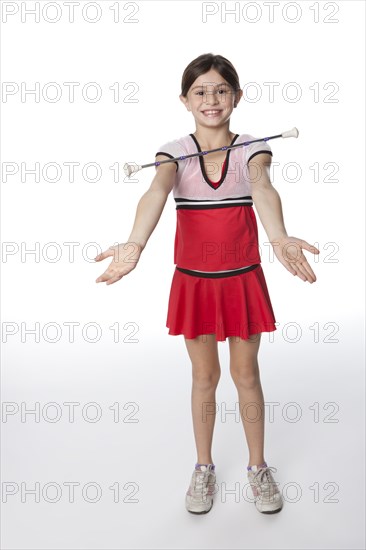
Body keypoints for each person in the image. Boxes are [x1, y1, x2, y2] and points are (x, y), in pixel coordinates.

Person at [94, 53, 320, 515]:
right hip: (195, 283)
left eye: (221, 90)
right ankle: (204, 468)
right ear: (185, 100)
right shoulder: (172, 153)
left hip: (240, 280)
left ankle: (258, 468)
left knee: (245, 375)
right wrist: (135, 243)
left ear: (236, 96)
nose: (211, 99)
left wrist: (277, 236)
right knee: (204, 377)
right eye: (200, 91)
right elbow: (156, 191)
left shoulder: (253, 148)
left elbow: (262, 187)